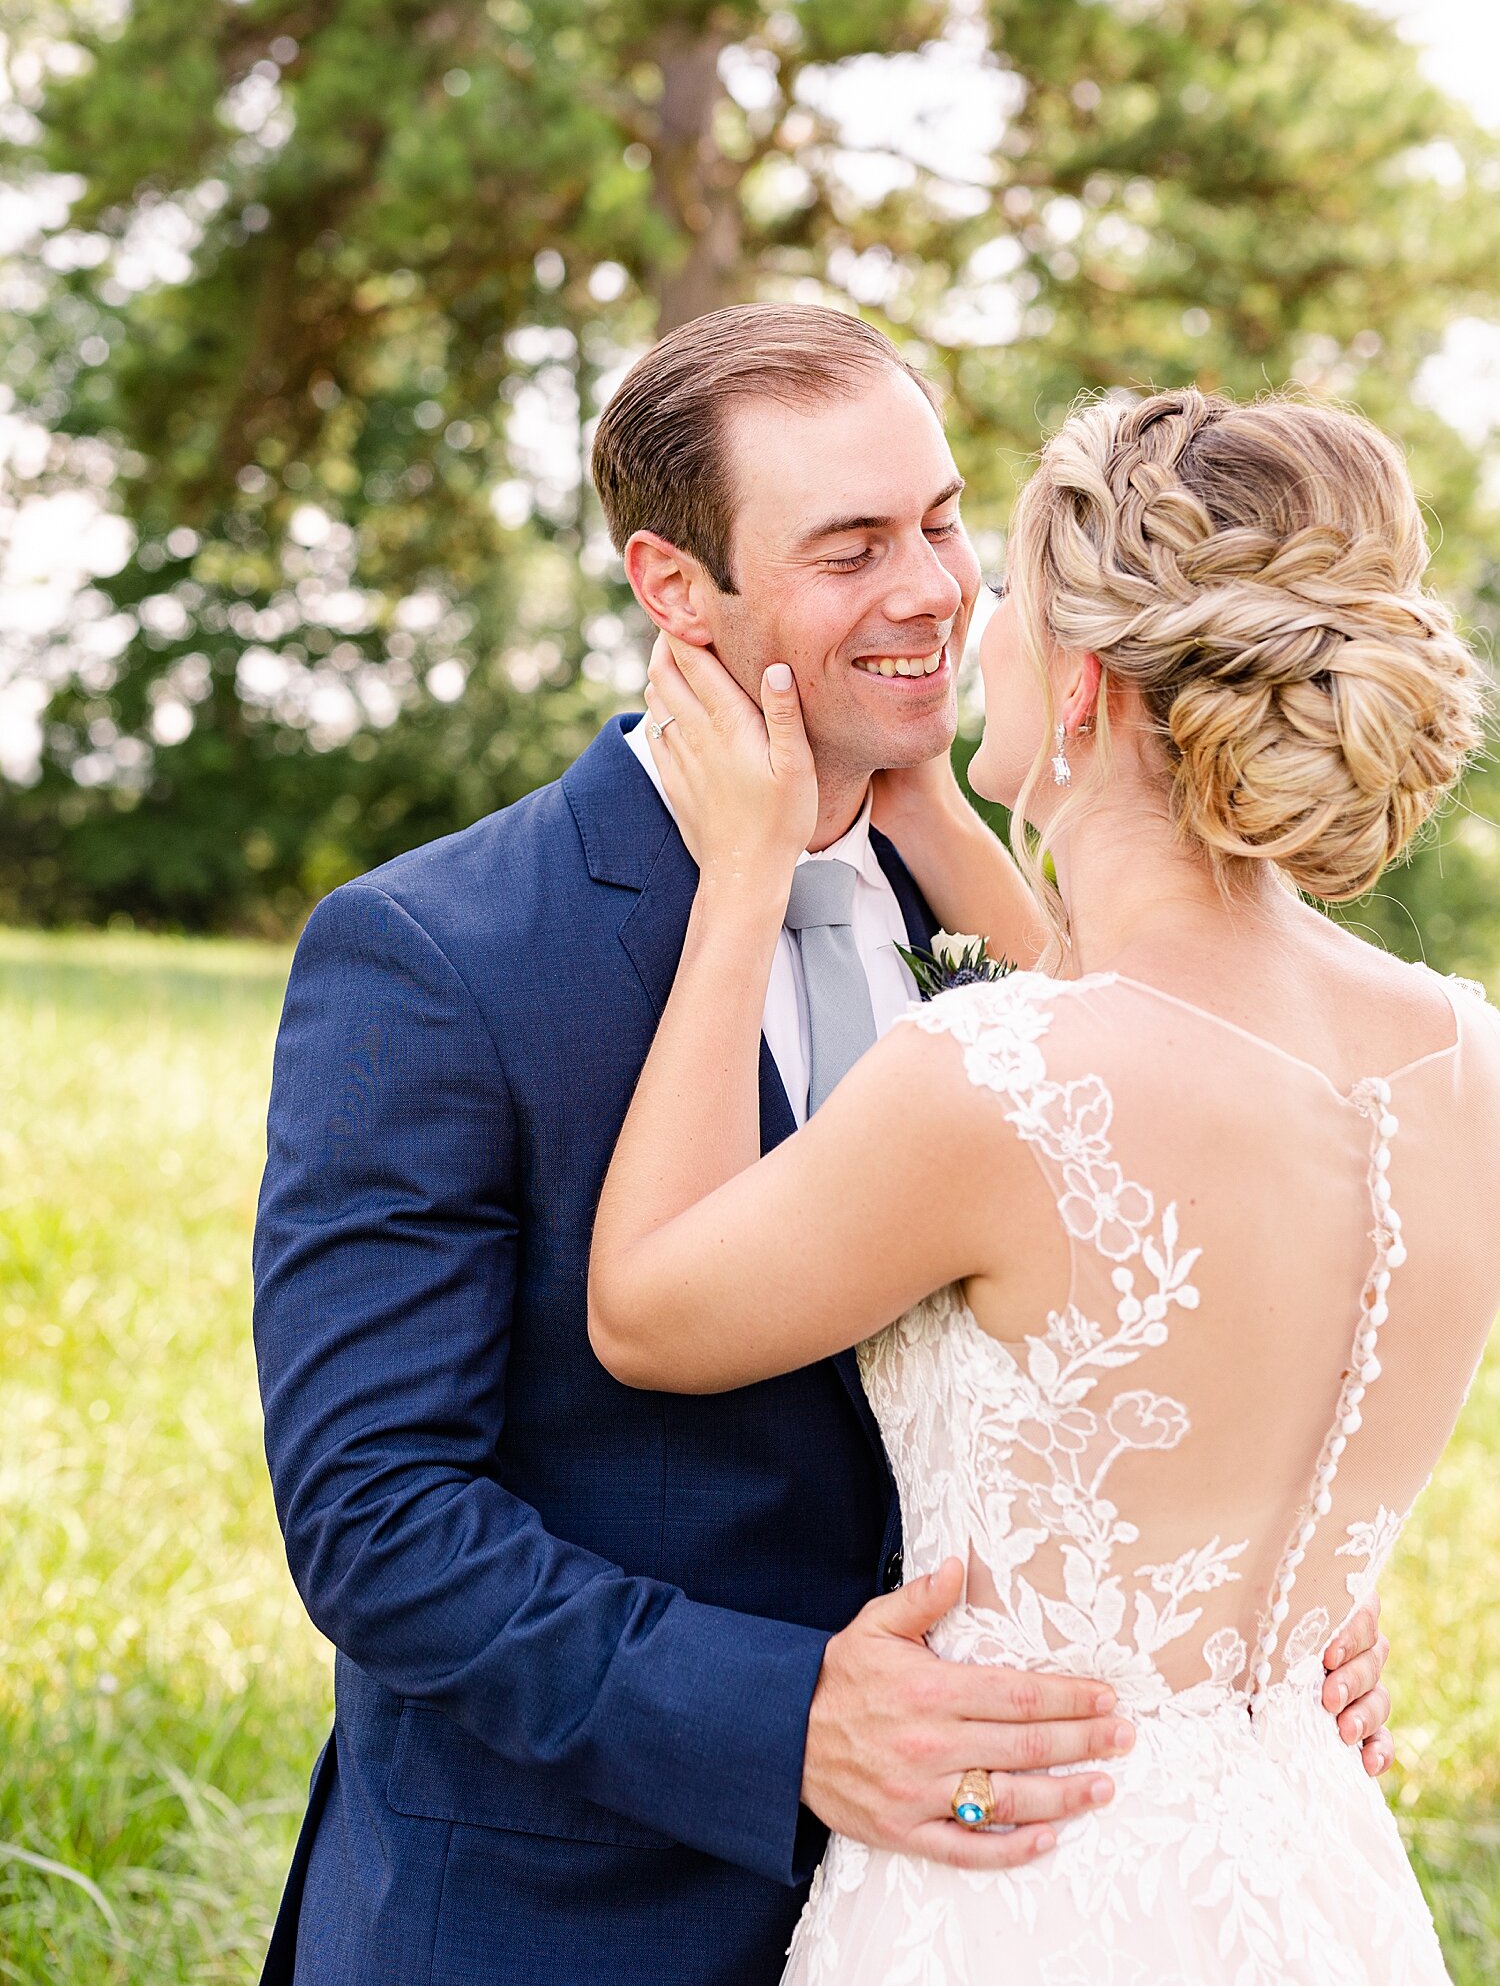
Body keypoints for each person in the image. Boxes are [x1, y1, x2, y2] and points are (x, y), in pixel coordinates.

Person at [253, 315, 1391, 1986]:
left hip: (1014, 1907)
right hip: (570, 1917)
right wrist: (785, 1715)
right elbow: (375, 1515)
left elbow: (1163, 1293)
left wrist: (1260, 1598)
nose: (929, 588)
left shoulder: (1026, 938)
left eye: (941, 521)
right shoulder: (436, 953)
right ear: (672, 584)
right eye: (849, 548)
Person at [588, 384, 1490, 1984]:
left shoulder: (989, 1085)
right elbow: (1154, 1038)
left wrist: (743, 876)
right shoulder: (1463, 1062)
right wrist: (953, 802)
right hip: (1314, 1880)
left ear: (1080, 682)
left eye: (988, 576)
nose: (958, 616)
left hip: (1021, 1888)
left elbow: (648, 1307)